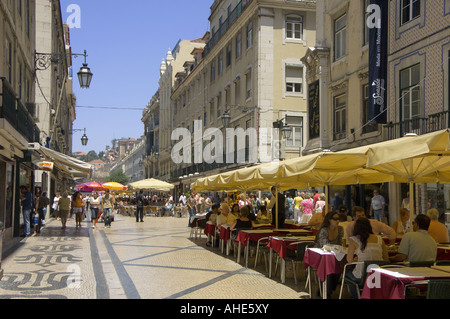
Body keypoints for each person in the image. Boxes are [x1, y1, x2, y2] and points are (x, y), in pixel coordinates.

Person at [345, 218, 389, 299]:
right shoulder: (379, 239)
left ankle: (358, 296)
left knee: (346, 273)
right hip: (378, 276)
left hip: (362, 275)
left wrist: (358, 260)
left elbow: (349, 260)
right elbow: (386, 258)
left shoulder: (354, 240)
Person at [314, 211, 344, 298]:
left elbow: (340, 243)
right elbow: (324, 244)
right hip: (320, 254)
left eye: (338, 219)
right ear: (329, 220)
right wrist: (335, 247)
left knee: (339, 265)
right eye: (334, 219)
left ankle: (326, 290)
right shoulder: (324, 230)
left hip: (334, 255)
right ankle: (326, 292)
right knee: (329, 267)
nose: (337, 221)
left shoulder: (340, 229)